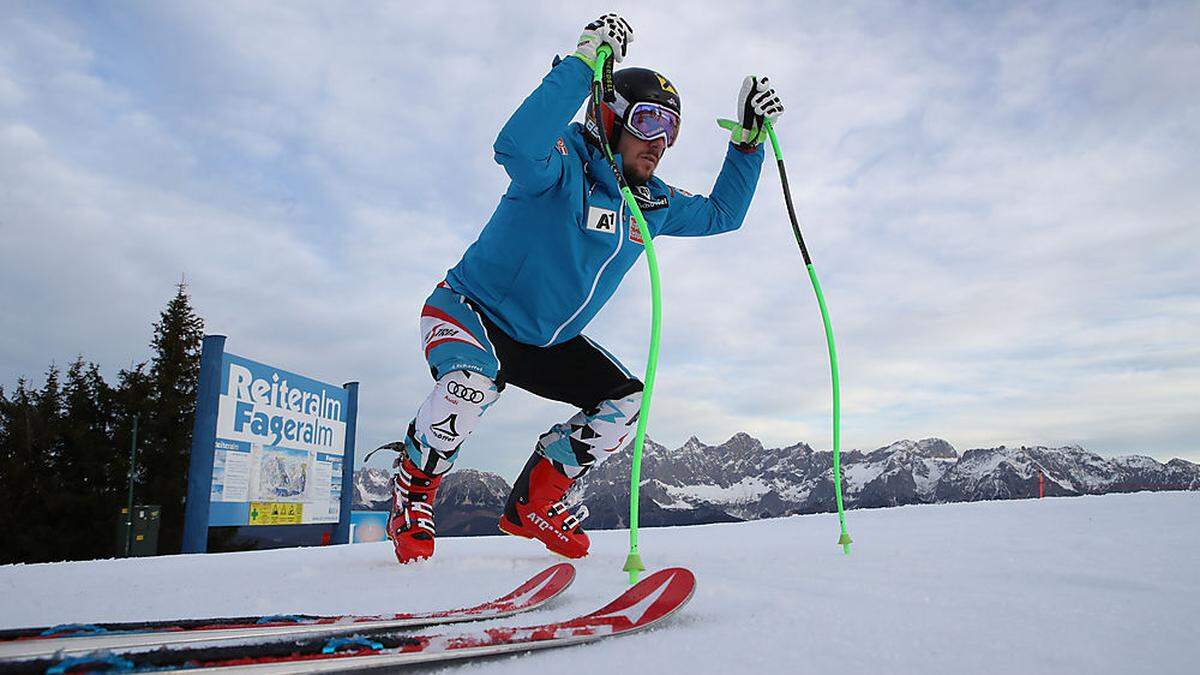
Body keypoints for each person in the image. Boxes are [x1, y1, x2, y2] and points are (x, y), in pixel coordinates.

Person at [382, 13, 784, 563]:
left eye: (672, 130)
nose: (661, 142)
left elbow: (722, 214)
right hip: (469, 311)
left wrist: (747, 144)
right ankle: (413, 490)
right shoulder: (561, 163)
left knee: (625, 404)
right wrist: (582, 65)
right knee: (470, 383)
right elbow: (515, 148)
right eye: (649, 121)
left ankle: (535, 503)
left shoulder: (653, 204)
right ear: (610, 116)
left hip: (545, 341)